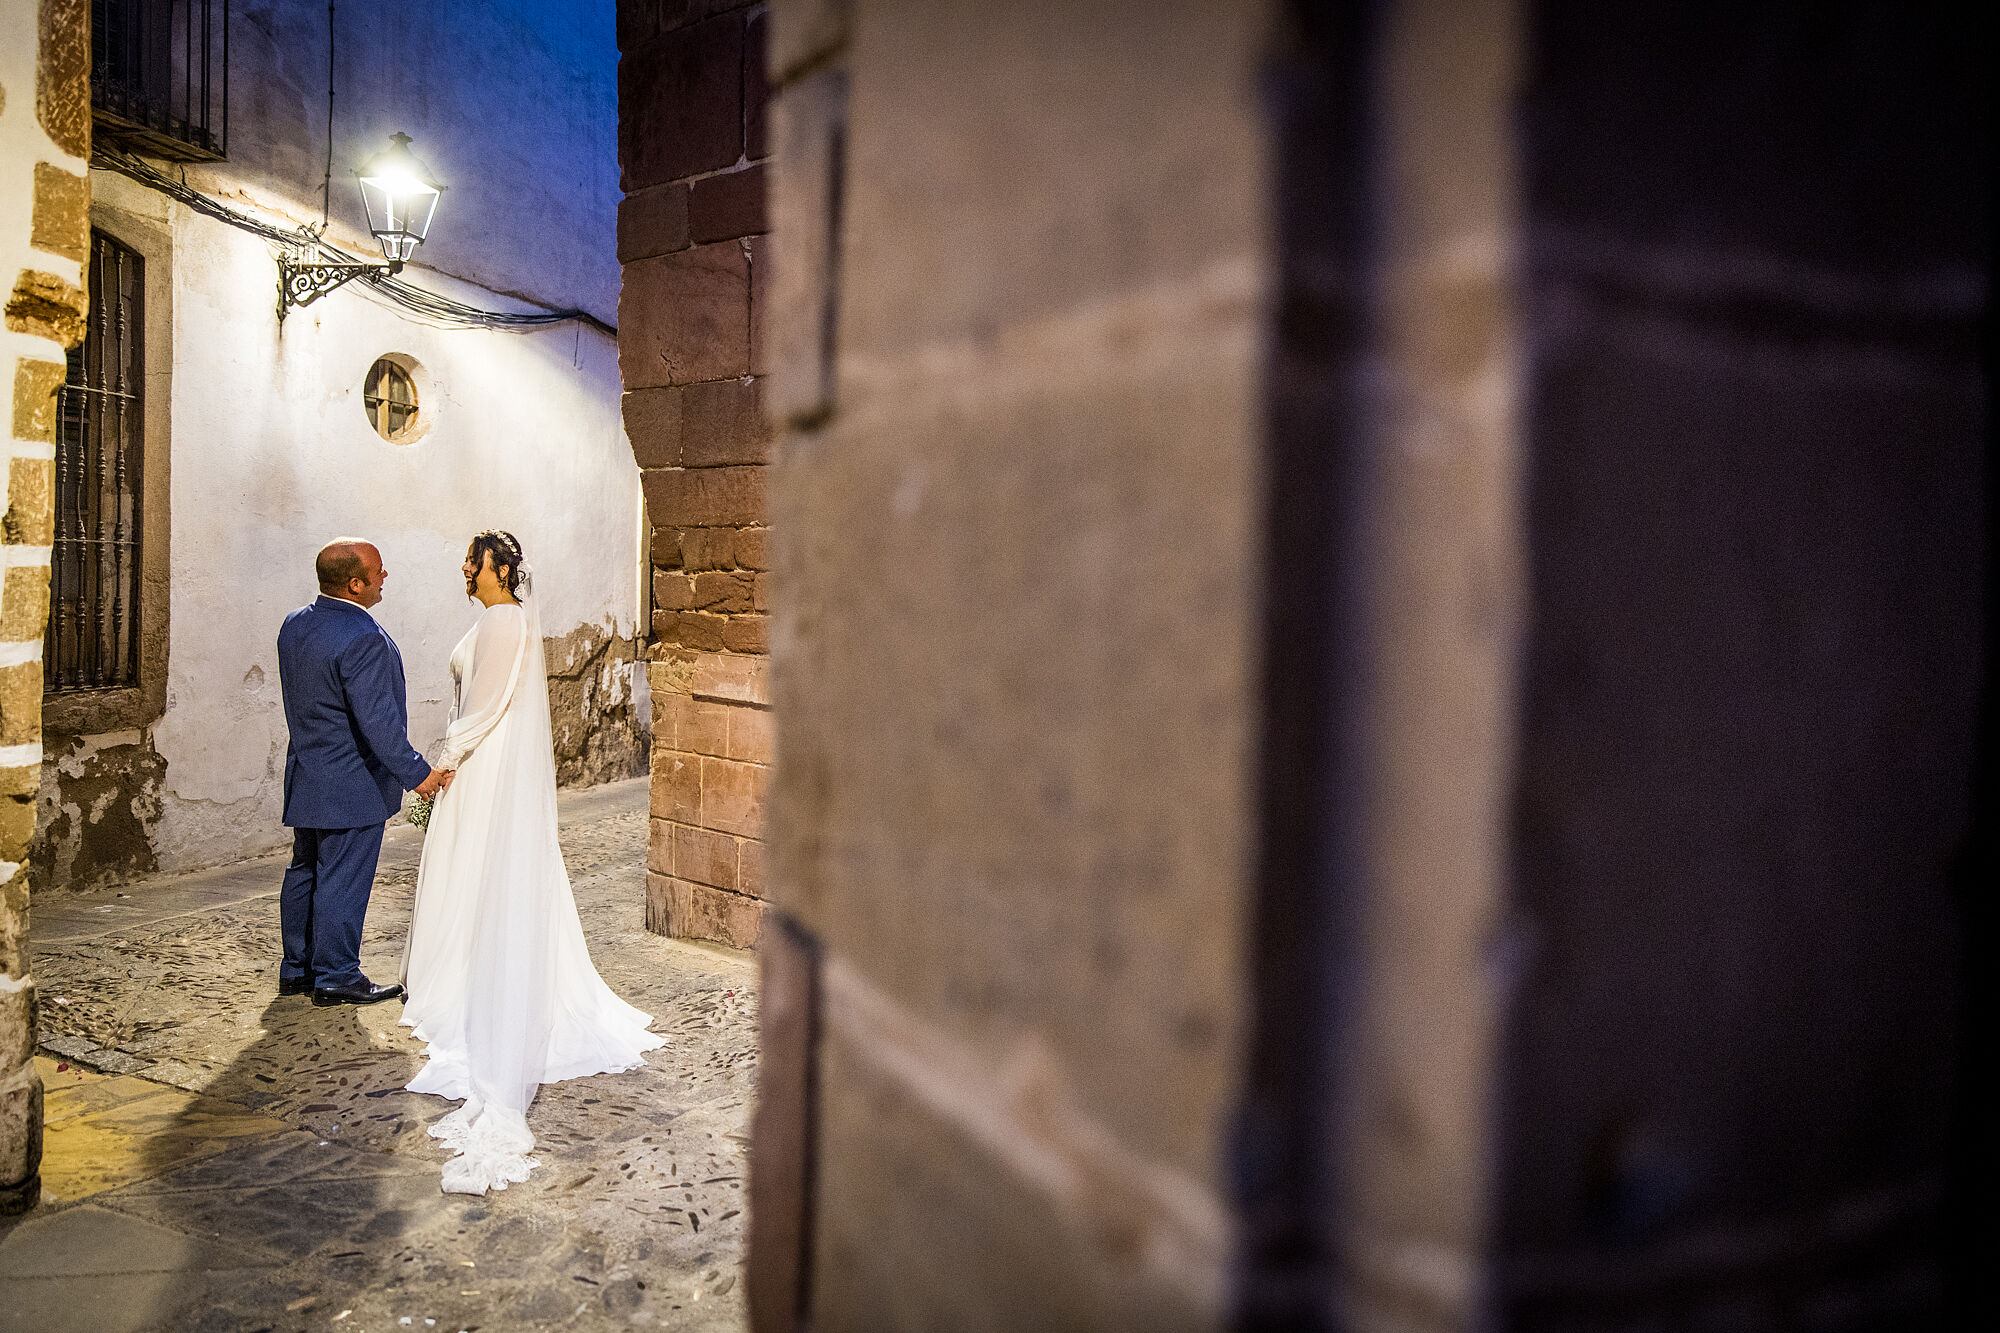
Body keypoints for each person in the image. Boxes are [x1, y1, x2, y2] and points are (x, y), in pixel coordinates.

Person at [399, 530, 663, 1194]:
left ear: (503, 570)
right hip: (489, 768)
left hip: (480, 770)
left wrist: (443, 764)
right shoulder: (507, 620)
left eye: (474, 559)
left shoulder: (499, 620)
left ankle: (467, 983)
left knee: (473, 876)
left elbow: (483, 708)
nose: (464, 566)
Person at [276, 539, 452, 1006]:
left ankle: (298, 969)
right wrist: (418, 774)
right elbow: (378, 722)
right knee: (342, 879)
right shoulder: (363, 638)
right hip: (352, 783)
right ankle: (336, 975)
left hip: (308, 775)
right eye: (378, 571)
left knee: (305, 870)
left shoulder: (294, 625)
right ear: (355, 584)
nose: (385, 576)